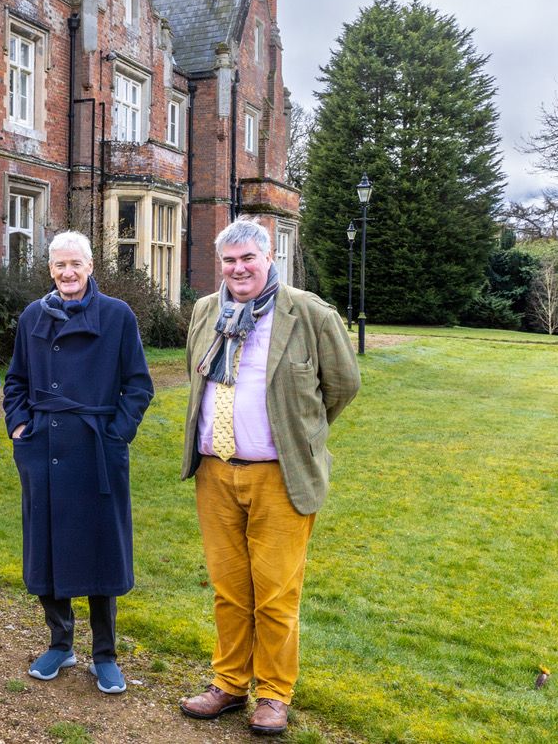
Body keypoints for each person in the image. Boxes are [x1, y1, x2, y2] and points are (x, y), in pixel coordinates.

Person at [178, 217, 359, 736]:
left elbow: (343, 386)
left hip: (279, 477)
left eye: (248, 259)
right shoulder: (205, 311)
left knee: (276, 592)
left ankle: (274, 695)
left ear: (268, 259)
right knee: (230, 589)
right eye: (229, 261)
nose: (238, 269)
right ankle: (229, 684)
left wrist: (297, 433)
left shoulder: (308, 313)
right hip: (214, 474)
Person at [3, 231, 154, 695]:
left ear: (91, 266)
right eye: (59, 264)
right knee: (48, 545)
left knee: (101, 548)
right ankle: (60, 642)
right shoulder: (32, 317)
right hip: (44, 449)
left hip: (96, 451)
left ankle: (105, 654)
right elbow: (16, 384)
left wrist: (116, 434)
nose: (67, 272)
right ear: (49, 268)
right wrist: (20, 428)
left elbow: (138, 385)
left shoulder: (116, 316)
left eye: (76, 264)